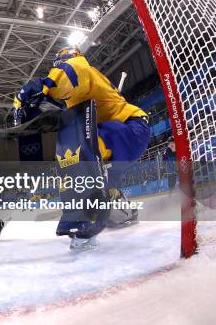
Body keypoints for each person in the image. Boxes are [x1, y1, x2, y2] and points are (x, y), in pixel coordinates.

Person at [13, 47, 149, 249]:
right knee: (93, 167)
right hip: (123, 137)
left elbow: (71, 71)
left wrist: (43, 87)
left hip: (131, 128)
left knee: (79, 150)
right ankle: (121, 210)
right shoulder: (79, 95)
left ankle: (86, 220)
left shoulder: (82, 68)